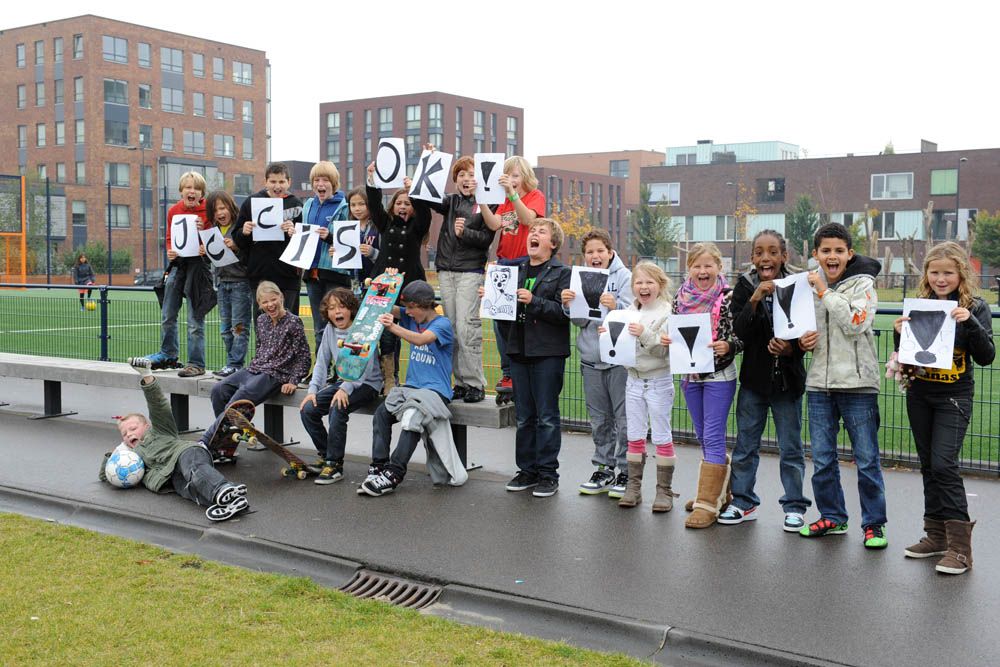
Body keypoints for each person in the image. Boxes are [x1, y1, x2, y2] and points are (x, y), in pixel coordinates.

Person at [894, 242, 994, 574]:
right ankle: (935, 536)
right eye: (934, 272)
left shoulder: (974, 306)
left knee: (944, 464)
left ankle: (961, 550)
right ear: (926, 274)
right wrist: (899, 335)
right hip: (920, 394)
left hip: (954, 396)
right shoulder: (920, 305)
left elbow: (987, 356)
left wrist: (971, 323)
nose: (940, 279)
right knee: (927, 465)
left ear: (961, 273)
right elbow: (908, 358)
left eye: (947, 273)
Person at [798, 222, 887, 549]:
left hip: (858, 387)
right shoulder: (807, 286)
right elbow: (802, 329)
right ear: (816, 254)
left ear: (849, 254)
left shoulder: (864, 285)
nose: (832, 256)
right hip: (820, 385)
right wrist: (802, 342)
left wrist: (825, 292)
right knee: (821, 458)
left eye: (838, 251)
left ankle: (874, 524)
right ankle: (833, 517)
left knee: (866, 459)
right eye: (825, 251)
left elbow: (855, 323)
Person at [721, 230, 812, 531]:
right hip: (754, 382)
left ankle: (795, 506)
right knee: (746, 445)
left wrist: (791, 349)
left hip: (787, 382)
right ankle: (743, 502)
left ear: (784, 256)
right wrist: (757, 297)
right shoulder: (746, 286)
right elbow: (740, 331)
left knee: (791, 447)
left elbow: (806, 334)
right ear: (752, 258)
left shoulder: (797, 286)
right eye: (759, 252)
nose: (765, 258)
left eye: (773, 252)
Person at [100, 360, 250, 521]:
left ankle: (223, 488)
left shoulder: (161, 431)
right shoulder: (133, 459)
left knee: (194, 470)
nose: (129, 434)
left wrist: (147, 376)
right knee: (190, 489)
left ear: (147, 426)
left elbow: (159, 406)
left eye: (133, 428)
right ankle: (230, 502)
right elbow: (105, 475)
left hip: (185, 453)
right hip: (170, 477)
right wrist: (118, 453)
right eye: (124, 433)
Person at [360, 278, 465, 497]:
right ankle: (378, 466)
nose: (407, 312)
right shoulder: (411, 318)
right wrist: (381, 282)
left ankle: (393, 473)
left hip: (435, 392)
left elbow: (420, 340)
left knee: (412, 418)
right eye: (406, 308)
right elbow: (383, 302)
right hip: (411, 389)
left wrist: (392, 326)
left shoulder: (442, 324)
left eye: (411, 308)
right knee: (381, 414)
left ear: (425, 305)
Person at [493, 218, 570, 498]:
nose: (534, 235)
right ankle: (527, 470)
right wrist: (493, 299)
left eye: (542, 232)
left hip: (548, 353)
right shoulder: (515, 269)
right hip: (518, 350)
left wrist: (534, 301)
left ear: (553, 243)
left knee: (546, 416)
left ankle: (548, 474)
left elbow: (564, 314)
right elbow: (503, 318)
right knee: (524, 416)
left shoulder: (563, 273)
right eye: (532, 231)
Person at [671, 242, 742, 529]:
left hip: (719, 376)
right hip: (691, 376)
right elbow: (674, 330)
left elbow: (742, 335)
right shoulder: (680, 297)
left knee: (713, 435)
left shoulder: (728, 298)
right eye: (697, 266)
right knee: (702, 435)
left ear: (718, 268)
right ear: (689, 269)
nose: (703, 271)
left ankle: (706, 505)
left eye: (708, 265)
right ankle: (719, 493)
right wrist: (668, 340)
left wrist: (729, 345)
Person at [560, 229, 633, 497]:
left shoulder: (624, 277)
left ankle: (626, 471)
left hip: (619, 361)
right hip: (591, 358)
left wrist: (616, 306)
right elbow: (580, 321)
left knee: (624, 420)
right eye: (590, 252)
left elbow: (634, 313)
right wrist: (569, 305)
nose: (595, 256)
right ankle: (603, 467)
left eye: (600, 250)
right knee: (599, 420)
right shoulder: (580, 277)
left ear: (610, 252)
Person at [419, 148, 496, 403]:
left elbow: (486, 239)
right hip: (445, 270)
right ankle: (460, 383)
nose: (466, 178)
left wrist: (465, 234)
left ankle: (475, 383)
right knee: (450, 329)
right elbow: (427, 195)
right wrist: (428, 160)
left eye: (471, 174)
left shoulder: (488, 202)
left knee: (467, 328)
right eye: (461, 174)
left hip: (470, 272)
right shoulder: (450, 201)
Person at [201, 281, 311, 452]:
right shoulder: (261, 320)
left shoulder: (293, 322)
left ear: (281, 297)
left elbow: (304, 356)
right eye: (265, 302)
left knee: (241, 396)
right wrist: (251, 367)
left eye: (273, 300)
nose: (270, 305)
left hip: (276, 373)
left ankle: (207, 440)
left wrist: (294, 380)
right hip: (254, 368)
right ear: (259, 304)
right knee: (219, 390)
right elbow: (260, 347)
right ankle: (227, 442)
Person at [600, 261, 674, 511]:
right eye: (639, 282)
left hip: (658, 381)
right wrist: (607, 335)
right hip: (633, 380)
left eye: (649, 282)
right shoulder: (626, 311)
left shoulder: (667, 312)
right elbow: (617, 347)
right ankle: (633, 487)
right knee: (634, 435)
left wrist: (644, 333)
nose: (644, 287)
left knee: (662, 435)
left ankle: (663, 491)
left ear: (660, 285)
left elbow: (664, 351)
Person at [300, 287, 383, 485]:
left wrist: (345, 388)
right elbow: (321, 363)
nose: (337, 312)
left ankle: (335, 464)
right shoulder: (329, 330)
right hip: (342, 382)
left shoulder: (363, 329)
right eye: (331, 308)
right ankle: (325, 455)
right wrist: (312, 391)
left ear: (351, 309)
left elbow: (363, 368)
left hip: (367, 383)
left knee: (338, 407)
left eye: (342, 307)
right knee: (308, 409)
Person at [479, 156, 546, 399]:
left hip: (524, 262)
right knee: (500, 322)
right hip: (504, 263)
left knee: (521, 319)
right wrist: (483, 200)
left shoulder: (534, 196)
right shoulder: (505, 201)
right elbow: (495, 223)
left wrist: (513, 194)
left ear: (525, 177)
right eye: (508, 176)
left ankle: (523, 370)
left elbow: (529, 219)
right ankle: (508, 372)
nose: (511, 180)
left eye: (515, 176)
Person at [143, 171, 216, 377]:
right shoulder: (174, 210)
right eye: (188, 188)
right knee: (167, 314)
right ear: (181, 191)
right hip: (178, 265)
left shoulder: (208, 211)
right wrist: (170, 251)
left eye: (196, 188)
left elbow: (214, 239)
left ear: (202, 193)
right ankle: (168, 354)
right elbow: (169, 237)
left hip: (199, 267)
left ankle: (196, 363)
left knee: (195, 320)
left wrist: (205, 232)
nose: (192, 191)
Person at [365, 164, 430, 391]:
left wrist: (414, 191)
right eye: (400, 203)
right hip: (384, 284)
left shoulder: (418, 227)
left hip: (410, 285)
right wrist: (372, 179)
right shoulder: (386, 224)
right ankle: (388, 377)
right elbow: (374, 206)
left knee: (412, 331)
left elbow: (425, 213)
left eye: (408, 203)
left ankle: (414, 376)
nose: (403, 206)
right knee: (385, 331)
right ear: (393, 207)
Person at [232, 162, 305, 316]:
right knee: (263, 327)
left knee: (289, 325)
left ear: (289, 182)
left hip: (288, 276)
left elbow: (304, 244)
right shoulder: (251, 202)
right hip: (260, 275)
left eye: (281, 181)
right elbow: (237, 240)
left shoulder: (296, 204)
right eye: (273, 181)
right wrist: (244, 232)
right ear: (265, 182)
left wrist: (294, 233)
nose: (277, 186)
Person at [302, 161, 351, 347]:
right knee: (319, 326)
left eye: (325, 180)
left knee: (338, 324)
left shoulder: (344, 207)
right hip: (312, 273)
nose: (320, 184)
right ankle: (321, 369)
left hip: (335, 274)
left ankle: (340, 371)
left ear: (334, 183)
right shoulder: (308, 205)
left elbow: (350, 242)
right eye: (316, 180)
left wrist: (330, 237)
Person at [205, 190, 253, 379]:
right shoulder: (213, 231)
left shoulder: (240, 229)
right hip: (222, 284)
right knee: (225, 330)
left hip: (241, 284)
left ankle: (235, 365)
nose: (219, 213)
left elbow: (250, 254)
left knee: (239, 328)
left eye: (222, 208)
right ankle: (231, 363)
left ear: (231, 208)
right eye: (215, 210)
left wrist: (236, 245)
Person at [347, 186, 380, 286]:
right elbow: (348, 265)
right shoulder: (348, 228)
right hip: (355, 284)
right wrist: (337, 255)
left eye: (362, 204)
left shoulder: (379, 227)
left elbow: (387, 257)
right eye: (353, 205)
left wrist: (373, 253)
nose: (357, 209)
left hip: (376, 283)